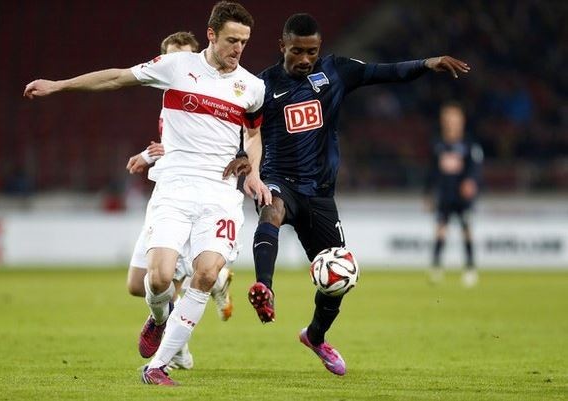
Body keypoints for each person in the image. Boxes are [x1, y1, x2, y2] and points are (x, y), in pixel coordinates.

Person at [24, 1, 271, 386]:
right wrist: (60, 85)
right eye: (231, 40)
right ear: (210, 34)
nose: (238, 49)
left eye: (244, 41)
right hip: (173, 188)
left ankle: (156, 365)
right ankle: (158, 319)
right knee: (155, 280)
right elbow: (117, 78)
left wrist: (253, 171)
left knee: (206, 274)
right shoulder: (177, 66)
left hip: (221, 193)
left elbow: (254, 135)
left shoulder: (252, 87)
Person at [243, 13, 470, 376]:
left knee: (340, 278)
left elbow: (386, 71)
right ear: (281, 46)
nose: (304, 59)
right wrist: (242, 158)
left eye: (311, 52)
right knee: (271, 209)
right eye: (297, 51)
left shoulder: (335, 72)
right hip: (278, 180)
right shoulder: (260, 85)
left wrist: (427, 63)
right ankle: (264, 288)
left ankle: (315, 336)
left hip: (319, 194)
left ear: (320, 49)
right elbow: (239, 128)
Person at [123, 31, 240, 372]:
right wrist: (148, 154)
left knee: (168, 282)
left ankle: (176, 351)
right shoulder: (170, 101)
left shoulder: (213, 92)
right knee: (137, 284)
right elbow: (167, 147)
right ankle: (217, 282)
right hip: (167, 194)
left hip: (197, 198)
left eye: (186, 58)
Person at [424, 101, 483, 287]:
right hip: (445, 195)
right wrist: (428, 193)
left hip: (462, 197)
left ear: (461, 121)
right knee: (440, 230)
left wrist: (471, 182)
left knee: (466, 230)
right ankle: (436, 267)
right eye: (447, 119)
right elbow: (431, 172)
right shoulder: (438, 144)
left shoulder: (468, 144)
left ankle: (470, 268)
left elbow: (475, 169)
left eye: (454, 119)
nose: (450, 123)